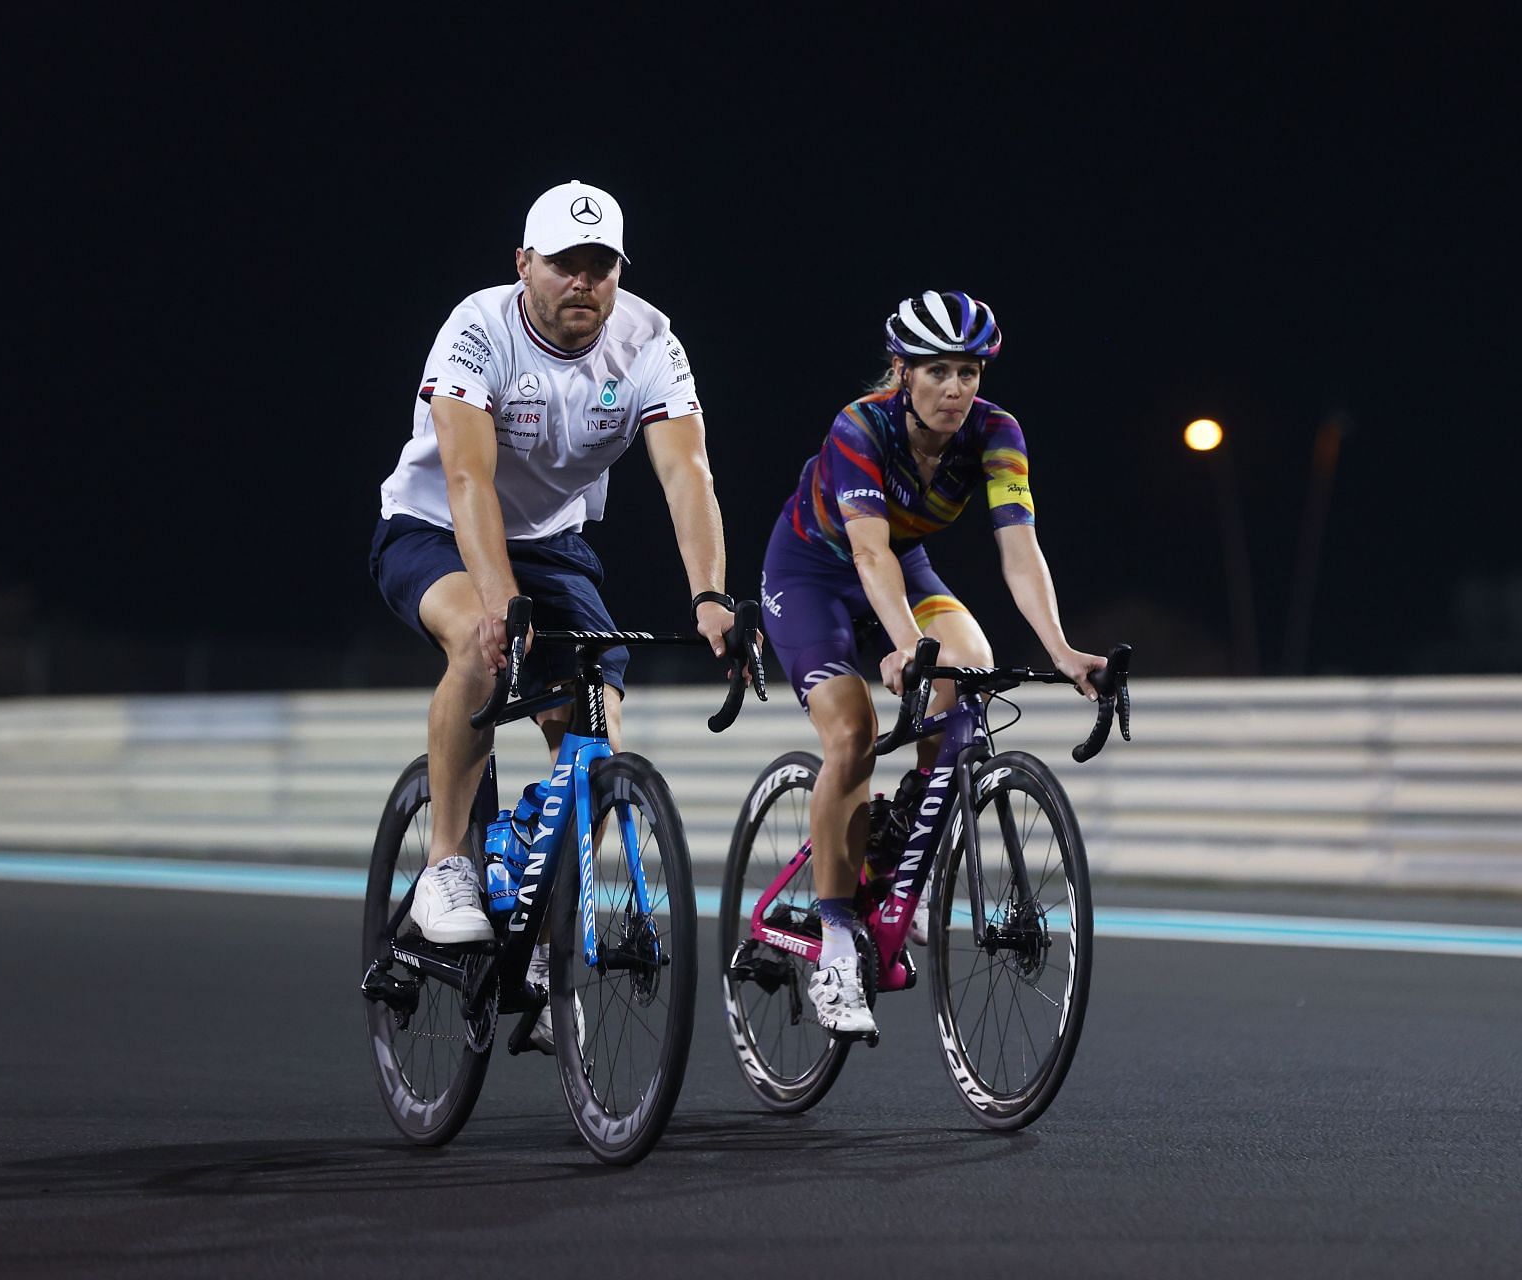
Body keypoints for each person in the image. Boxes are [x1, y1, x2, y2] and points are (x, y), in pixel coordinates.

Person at [370, 179, 737, 1050]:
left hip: (555, 543)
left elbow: (688, 476)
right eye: (565, 264)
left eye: (600, 266)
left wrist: (711, 594)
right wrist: (498, 602)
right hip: (435, 529)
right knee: (480, 645)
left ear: (619, 272)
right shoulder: (477, 326)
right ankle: (447, 866)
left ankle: (538, 929)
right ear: (524, 264)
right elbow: (466, 479)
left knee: (590, 730)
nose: (584, 282)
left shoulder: (651, 341)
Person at [758, 290, 1106, 1038]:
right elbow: (869, 550)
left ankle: (900, 845)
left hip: (902, 570)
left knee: (971, 669)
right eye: (939, 371)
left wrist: (1062, 649)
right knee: (850, 734)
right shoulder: (861, 425)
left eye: (970, 372)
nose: (956, 389)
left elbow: (1020, 548)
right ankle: (838, 943)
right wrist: (903, 644)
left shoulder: (998, 433)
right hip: (814, 574)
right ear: (902, 373)